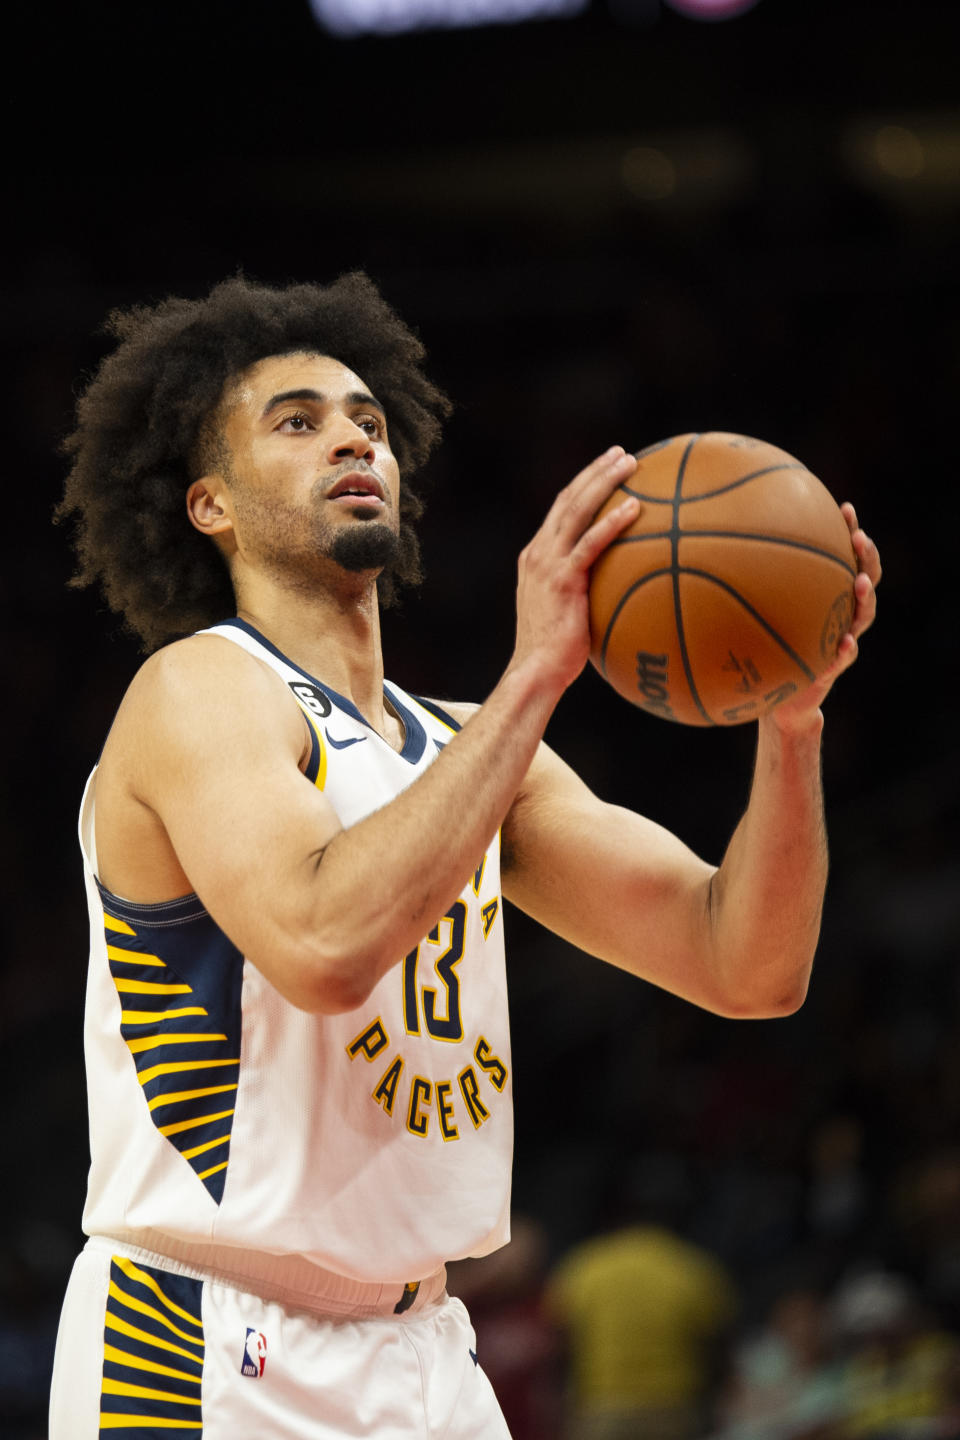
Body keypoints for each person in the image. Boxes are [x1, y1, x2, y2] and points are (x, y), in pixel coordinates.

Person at [49, 272, 880, 1439]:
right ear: (210, 505)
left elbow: (745, 965)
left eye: (369, 422)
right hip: (205, 1345)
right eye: (298, 421)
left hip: (426, 1349)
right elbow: (322, 943)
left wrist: (790, 726)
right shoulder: (199, 693)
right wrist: (540, 668)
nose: (351, 436)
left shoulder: (465, 752)